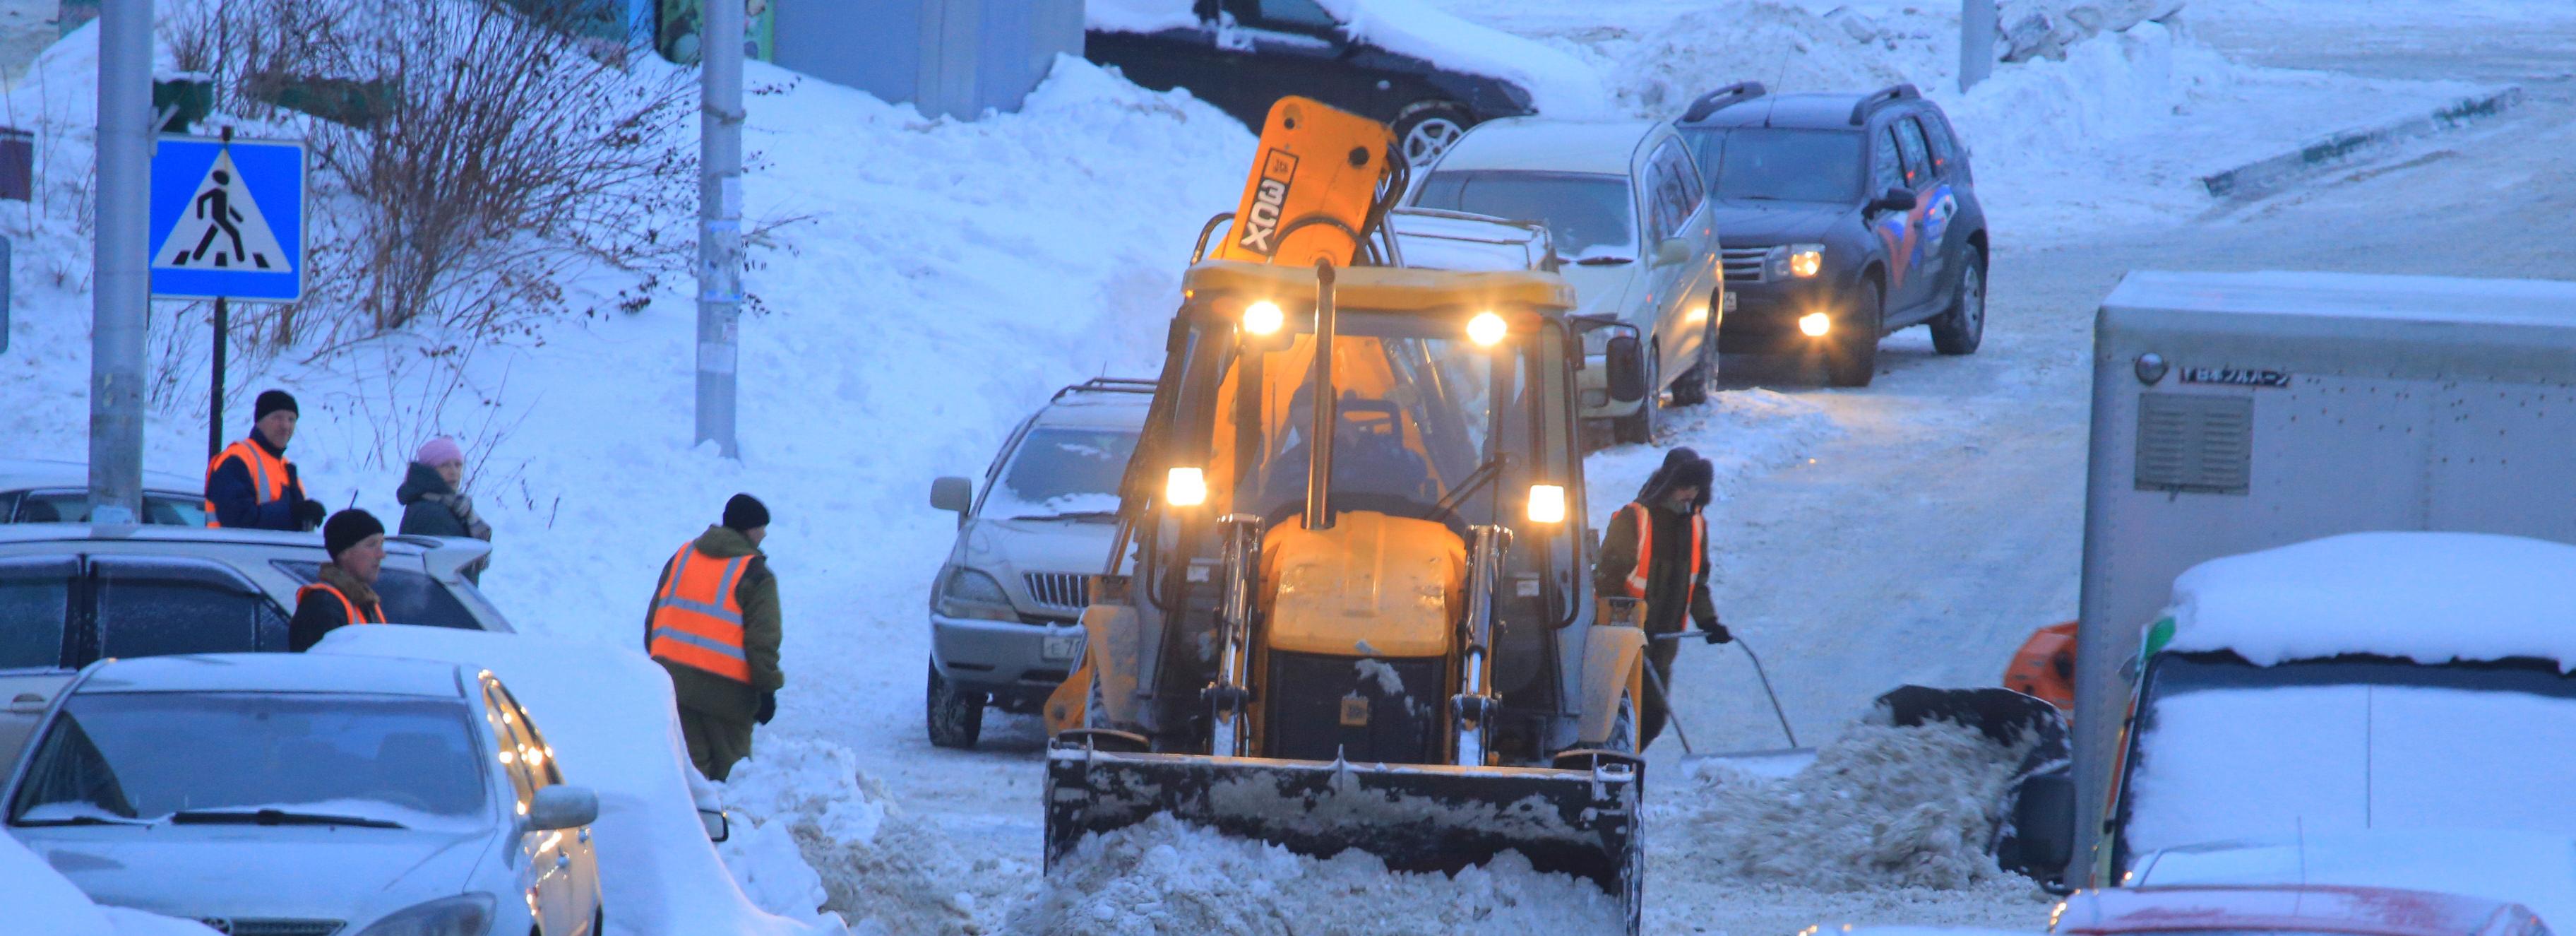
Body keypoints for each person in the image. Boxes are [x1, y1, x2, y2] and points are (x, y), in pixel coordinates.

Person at [1592, 447, 1731, 751]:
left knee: (1654, 717)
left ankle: (1621, 764)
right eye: (1684, 486)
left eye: (1696, 487)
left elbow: (1697, 582)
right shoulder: (1635, 518)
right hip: (1626, 640)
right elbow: (1608, 579)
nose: (1690, 493)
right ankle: (1605, 766)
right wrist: (1633, 625)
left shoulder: (1696, 525)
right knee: (1618, 718)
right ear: (1668, 483)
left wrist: (1709, 621)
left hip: (1664, 644)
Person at [645, 494, 785, 781]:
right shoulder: (756, 574)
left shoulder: (683, 556)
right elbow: (762, 641)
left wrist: (663, 667)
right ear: (748, 529)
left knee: (690, 777)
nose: (764, 534)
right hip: (728, 698)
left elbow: (654, 619)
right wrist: (767, 689)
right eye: (761, 527)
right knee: (732, 779)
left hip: (675, 686)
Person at [204, 389, 326, 531]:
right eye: (277, 418)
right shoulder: (237, 459)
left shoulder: (287, 468)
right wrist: (294, 514)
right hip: (230, 545)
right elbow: (238, 517)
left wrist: (306, 515)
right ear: (259, 421)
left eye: (291, 419)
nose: (286, 426)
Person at [397, 437, 493, 582]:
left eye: (458, 465)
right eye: (444, 465)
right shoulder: (430, 512)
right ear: (429, 470)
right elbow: (438, 575)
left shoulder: (453, 507)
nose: (454, 472)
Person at [291, 509, 388, 651]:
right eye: (371, 545)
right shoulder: (323, 606)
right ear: (344, 553)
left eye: (381, 544)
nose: (381, 554)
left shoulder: (364, 602)